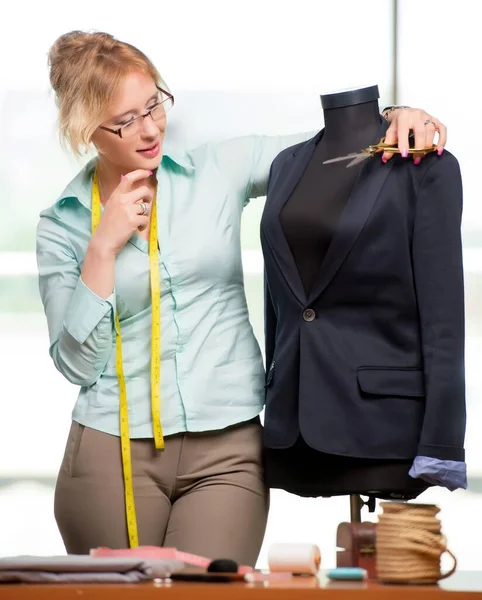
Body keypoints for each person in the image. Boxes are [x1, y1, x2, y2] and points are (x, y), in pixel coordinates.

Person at [36, 30, 447, 566]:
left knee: (215, 592)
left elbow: (333, 153)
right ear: (87, 129)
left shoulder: (216, 171)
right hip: (109, 451)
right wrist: (103, 249)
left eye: (154, 104)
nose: (150, 128)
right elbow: (77, 365)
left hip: (228, 447)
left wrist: (396, 117)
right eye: (126, 120)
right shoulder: (61, 226)